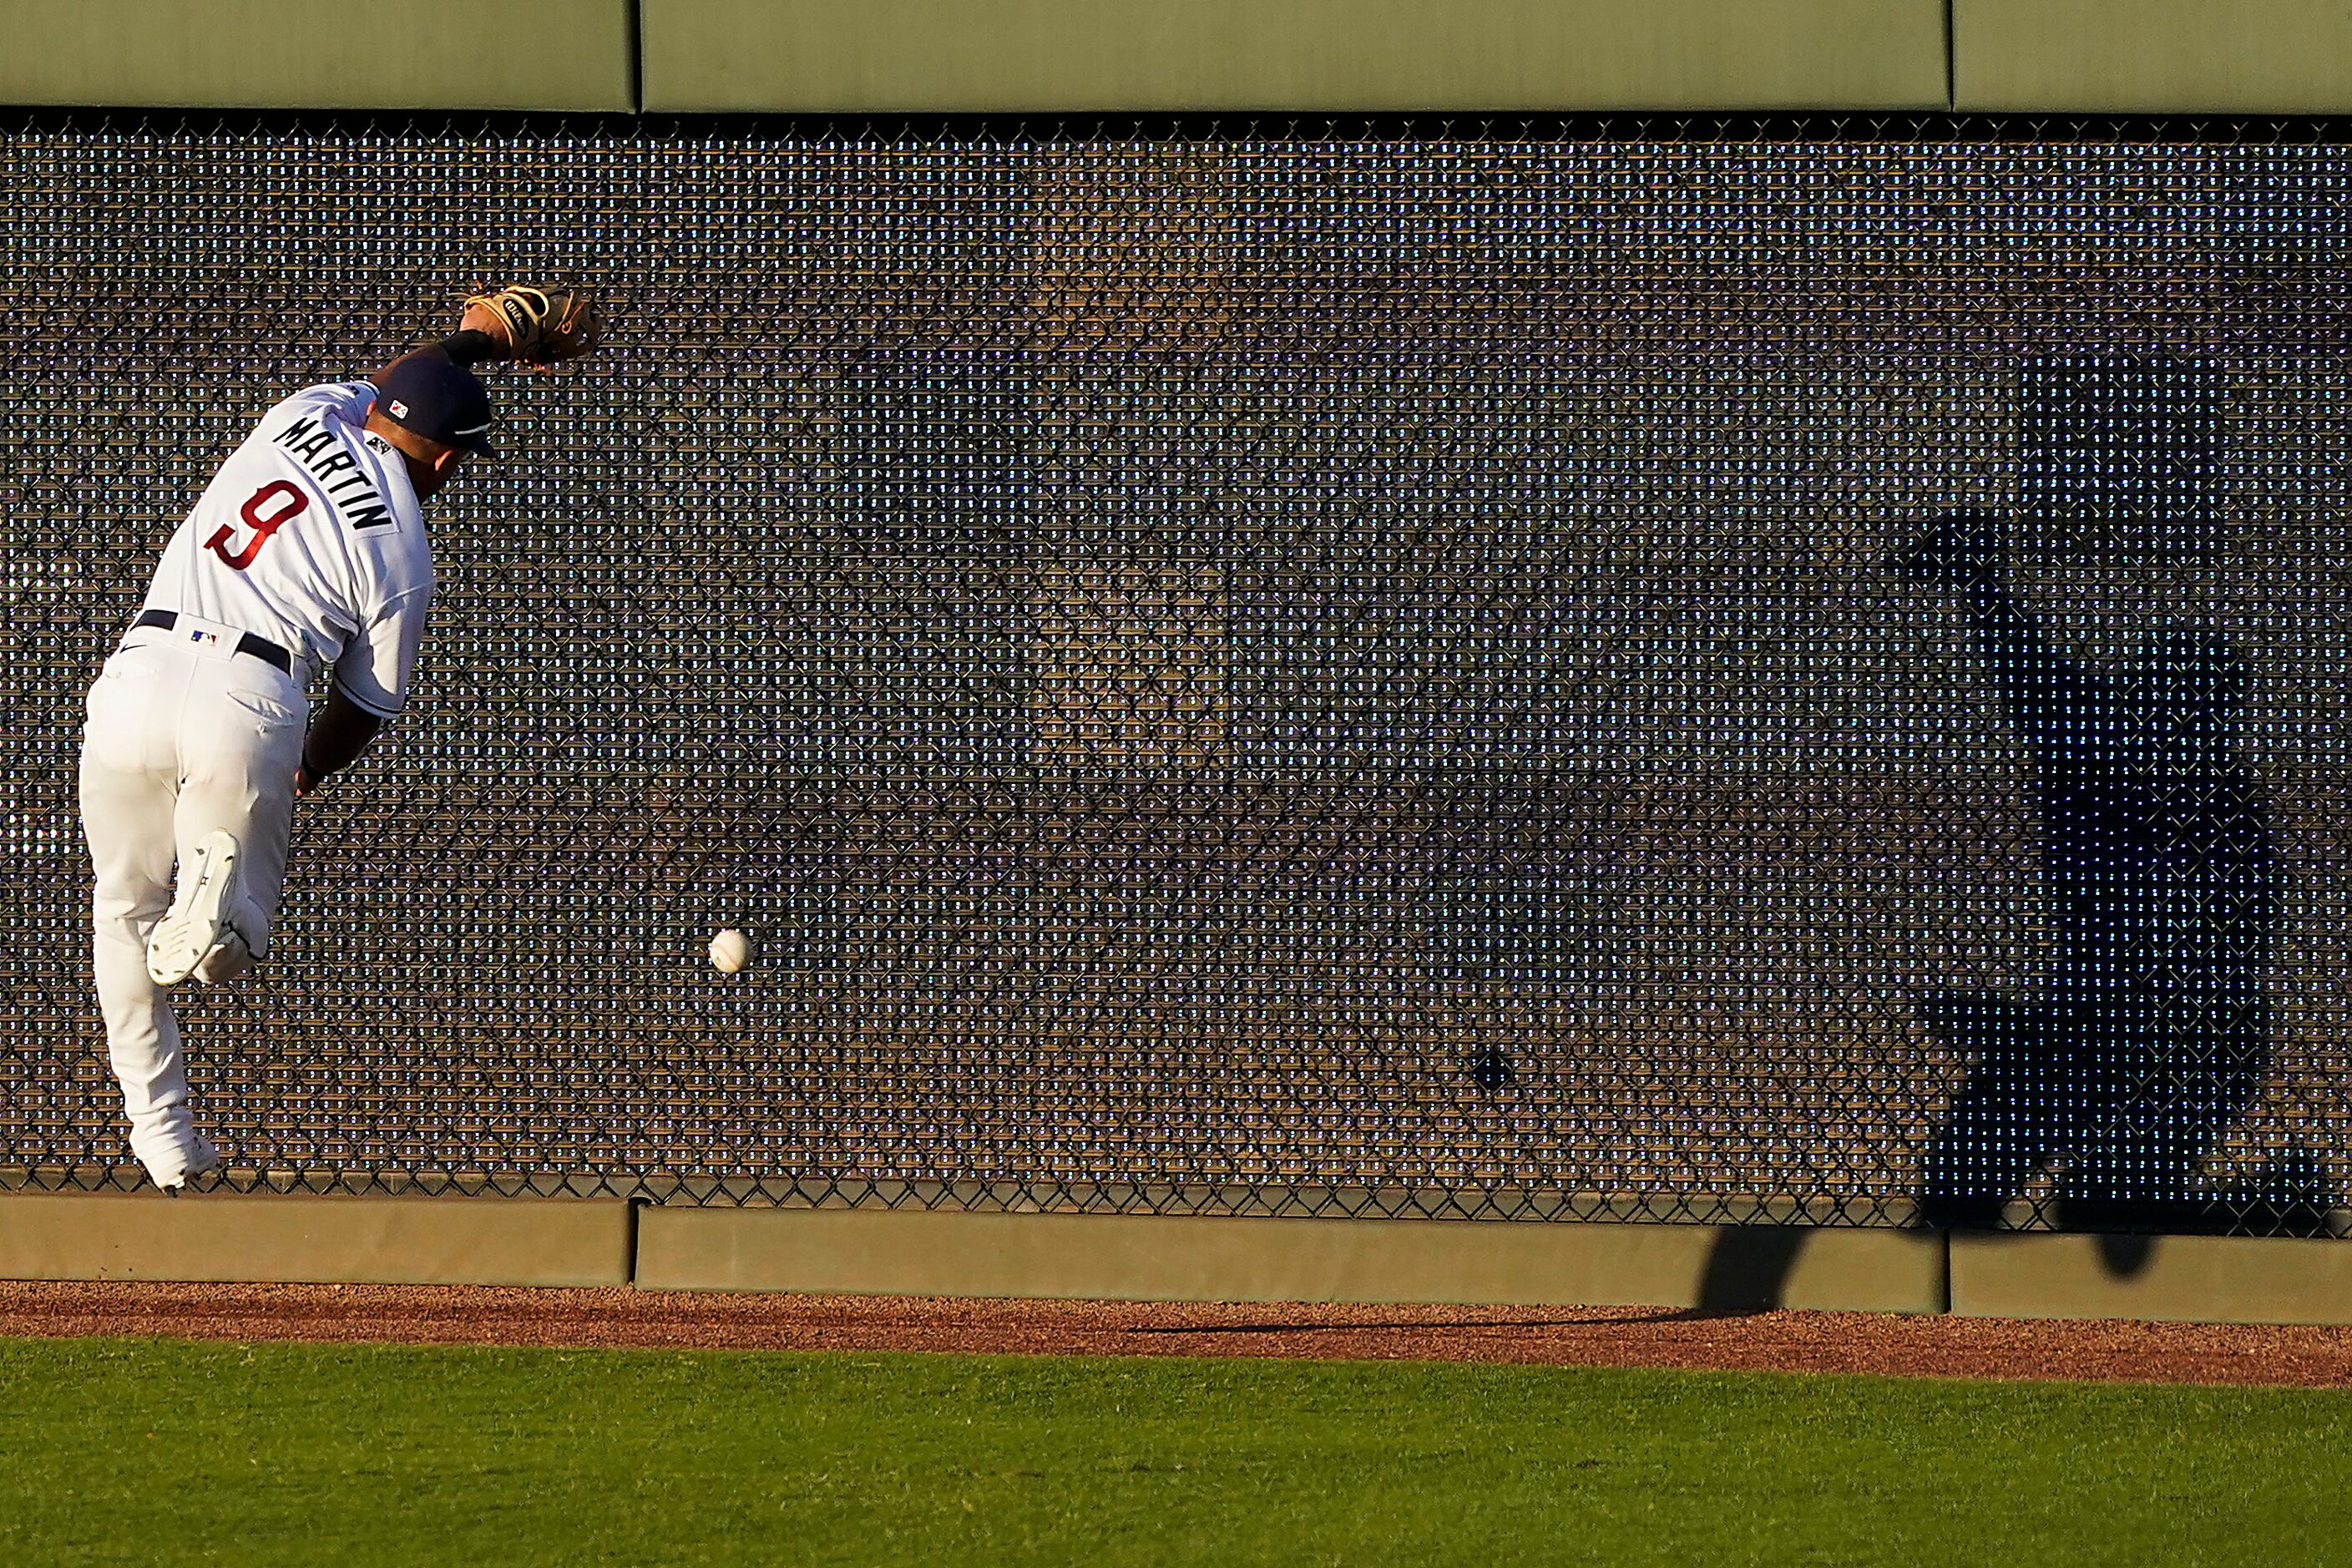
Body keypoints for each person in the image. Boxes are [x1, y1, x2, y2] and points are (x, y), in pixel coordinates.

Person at [78, 286, 599, 1190]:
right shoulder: (402, 554)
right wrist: (308, 770)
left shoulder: (302, 412)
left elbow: (394, 383)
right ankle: (214, 915)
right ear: (440, 460)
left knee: (119, 916)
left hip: (137, 673)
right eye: (459, 459)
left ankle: (162, 1141)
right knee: (233, 946)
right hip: (248, 700)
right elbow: (367, 705)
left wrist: (474, 341)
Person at [1896, 512, 2270, 1227]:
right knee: (1971, 1191)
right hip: (2112, 1020)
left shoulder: (2196, 801)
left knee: (2092, 1200)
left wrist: (1982, 588)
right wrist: (1983, 591)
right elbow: (2047, 695)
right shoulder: (2138, 777)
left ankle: (2257, 1218)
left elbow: (2047, 695)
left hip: (2175, 1027)